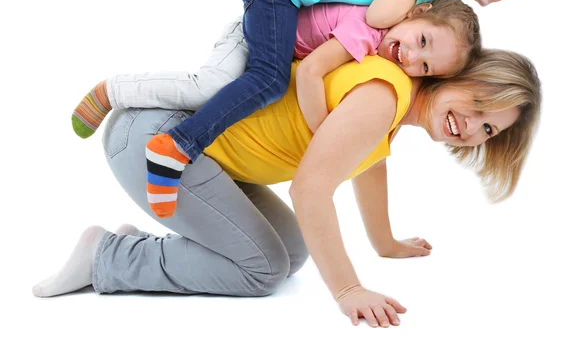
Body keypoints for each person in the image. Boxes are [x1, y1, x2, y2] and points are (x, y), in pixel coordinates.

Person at [71, 0, 552, 219]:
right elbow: (383, 11)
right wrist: (330, 130)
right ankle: (160, 132)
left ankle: (168, 137)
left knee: (226, 80)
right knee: (263, 81)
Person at [35, 26, 541, 329]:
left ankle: (141, 249)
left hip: (193, 154)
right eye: (477, 104)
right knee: (261, 270)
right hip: (157, 141)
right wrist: (348, 291)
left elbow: (370, 163)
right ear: (458, 76)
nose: (470, 127)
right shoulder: (385, 95)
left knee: (292, 251)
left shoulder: (394, 105)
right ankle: (107, 257)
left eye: (488, 128)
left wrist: (384, 242)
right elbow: (309, 189)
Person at [72, 0, 481, 217]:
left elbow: (371, 163)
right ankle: (113, 91)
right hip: (256, 33)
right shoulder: (364, 34)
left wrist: (386, 242)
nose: (410, 57)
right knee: (209, 85)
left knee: (245, 86)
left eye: (424, 66)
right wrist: (325, 135)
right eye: (422, 41)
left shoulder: (379, 56)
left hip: (271, 44)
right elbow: (307, 76)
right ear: (417, 10)